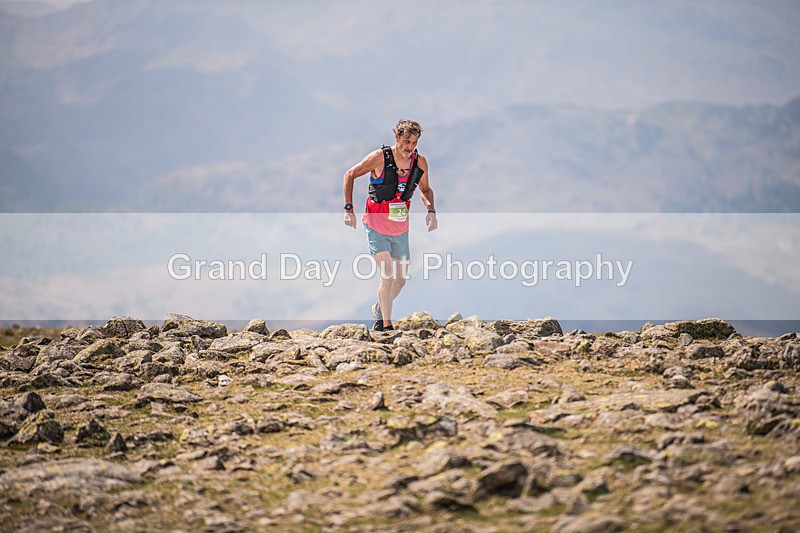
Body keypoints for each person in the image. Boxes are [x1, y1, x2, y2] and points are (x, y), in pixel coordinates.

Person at [343, 119, 437, 331]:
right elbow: (349, 175)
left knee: (401, 280)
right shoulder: (379, 158)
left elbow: (425, 189)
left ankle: (380, 308)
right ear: (396, 138)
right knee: (387, 273)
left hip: (400, 229)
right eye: (406, 141)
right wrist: (349, 209)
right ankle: (385, 325)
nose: (409, 147)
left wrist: (431, 210)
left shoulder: (419, 162)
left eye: (414, 142)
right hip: (376, 225)